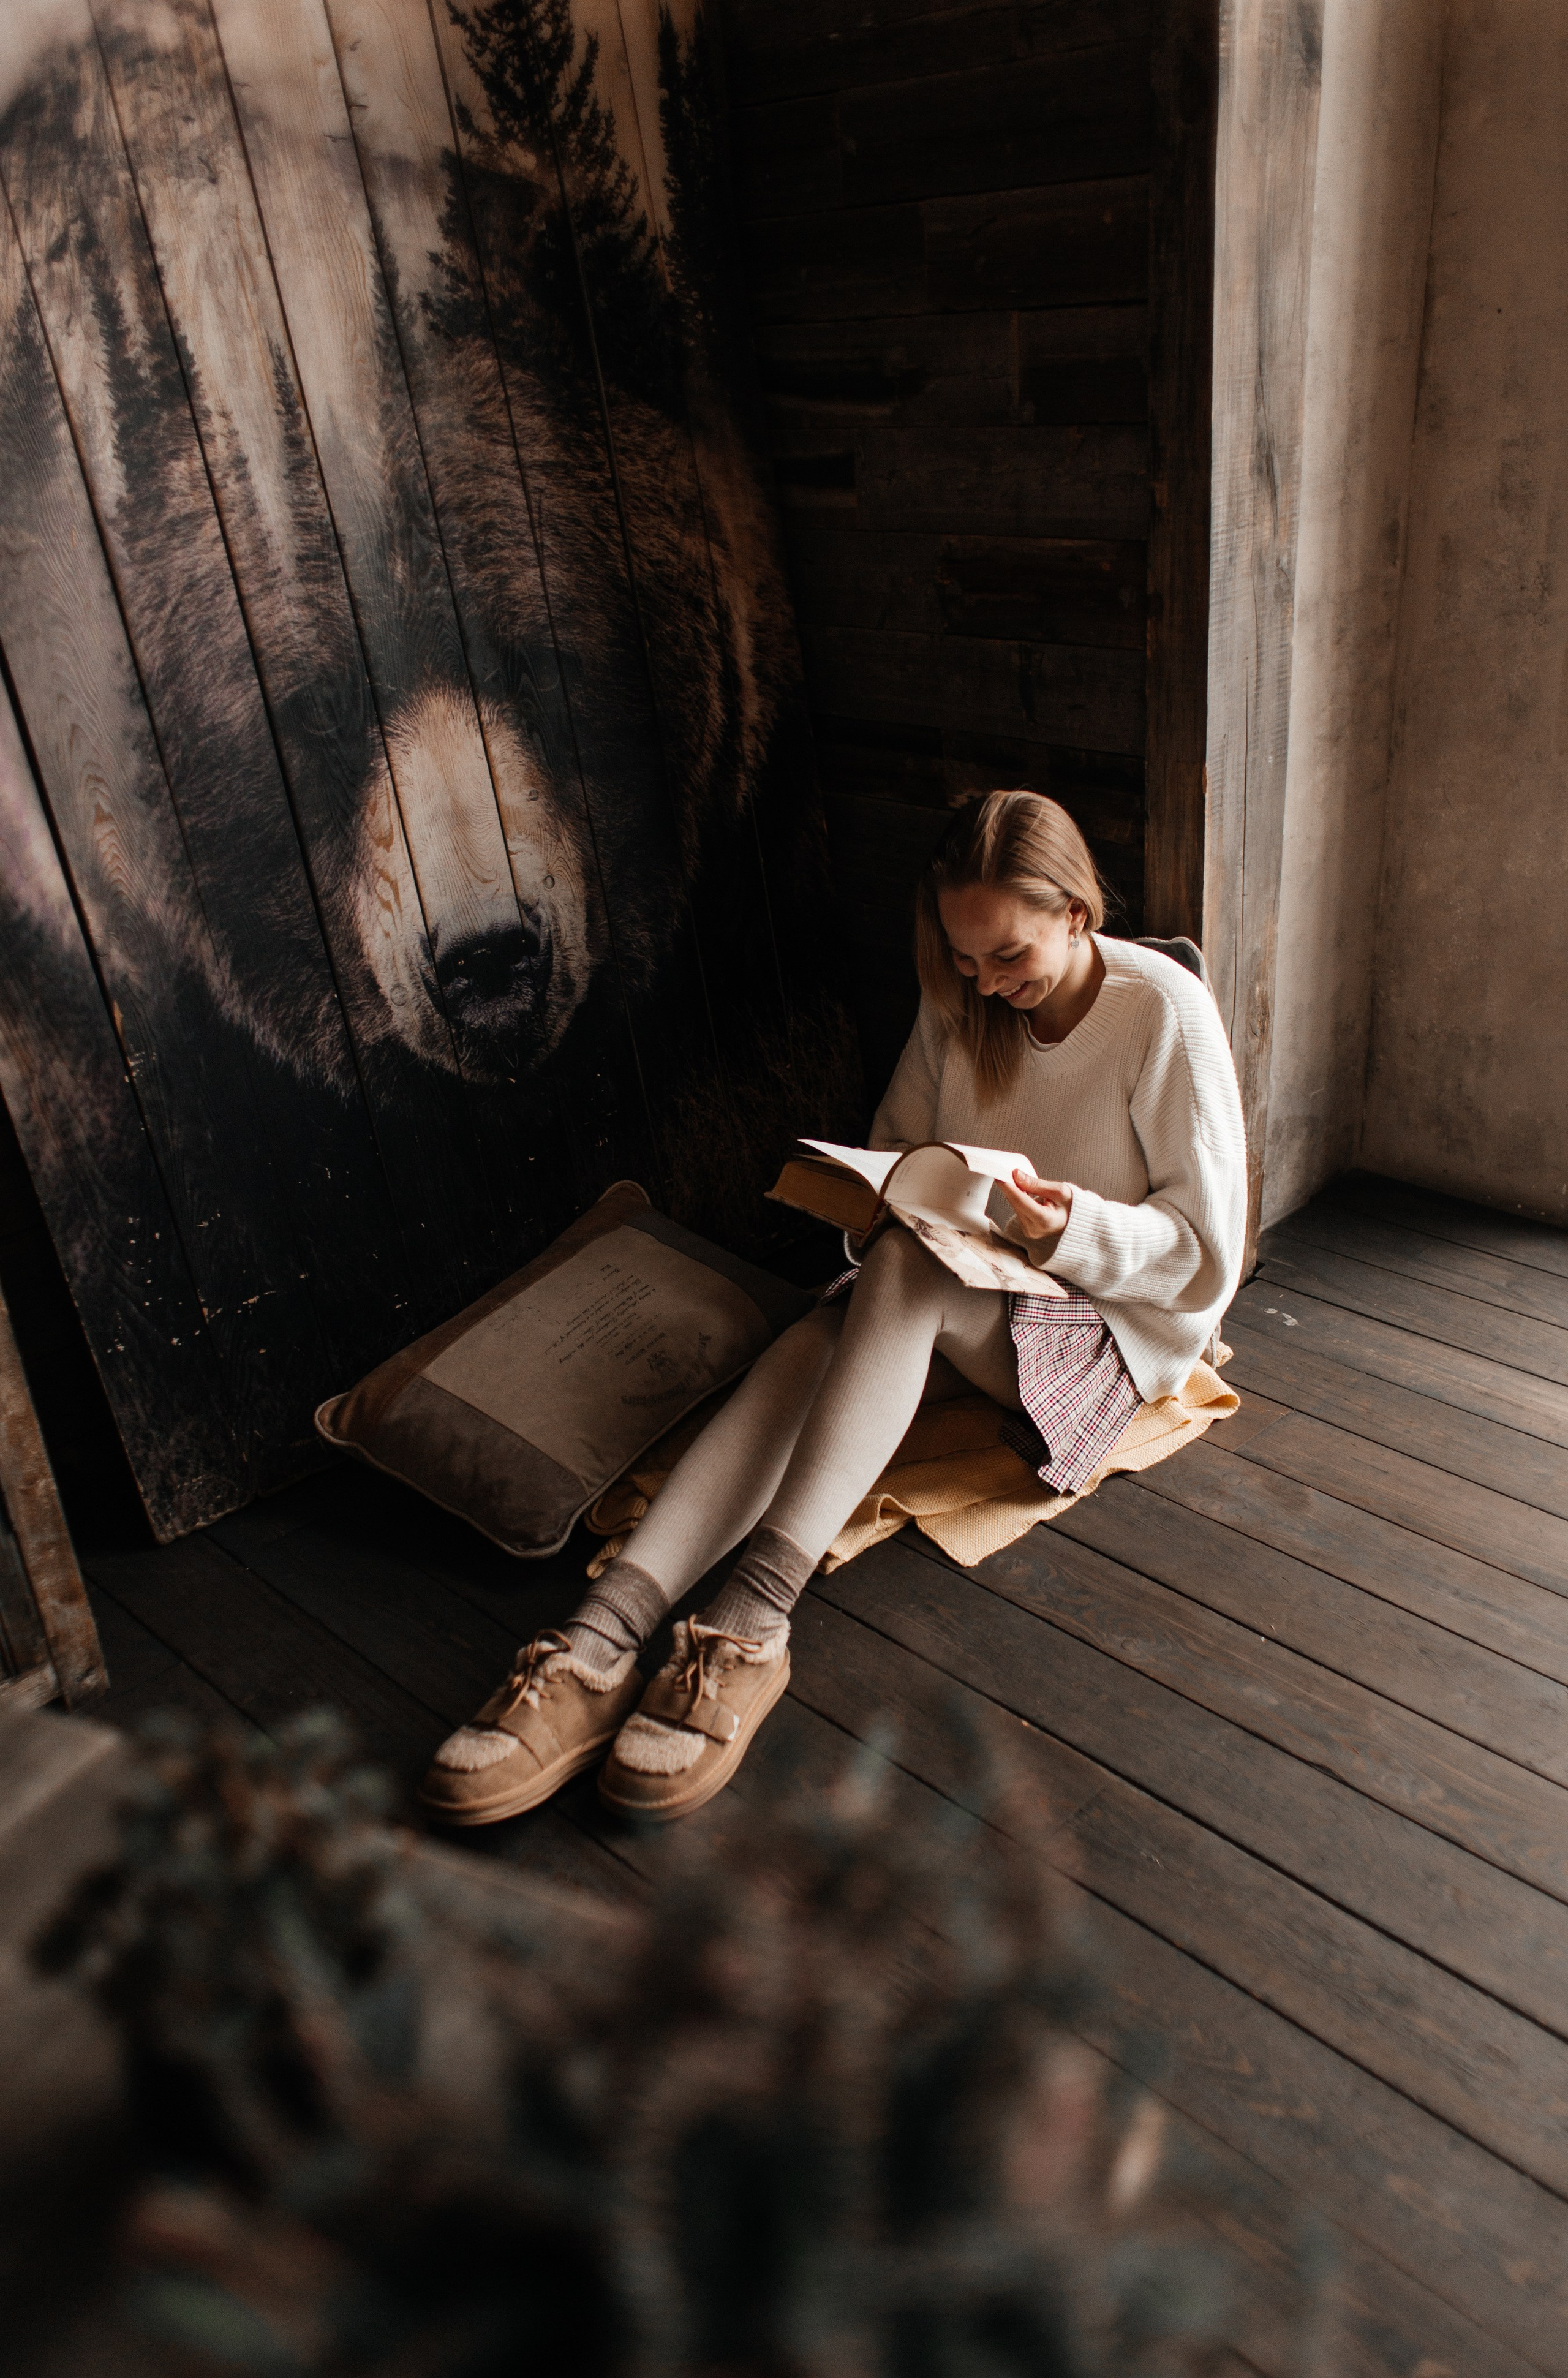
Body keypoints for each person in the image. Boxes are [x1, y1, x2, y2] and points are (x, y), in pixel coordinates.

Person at [421, 788, 1248, 1827]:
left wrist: (1070, 1227)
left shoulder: (1163, 1010)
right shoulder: (964, 998)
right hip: (970, 1280)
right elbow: (899, 1142)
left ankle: (749, 1626)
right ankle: (597, 1639)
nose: (985, 984)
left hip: (1106, 1317)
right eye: (963, 958)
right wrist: (883, 1192)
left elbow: (1211, 1254)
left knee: (898, 1278)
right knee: (821, 1335)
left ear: (1079, 913)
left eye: (1010, 957)